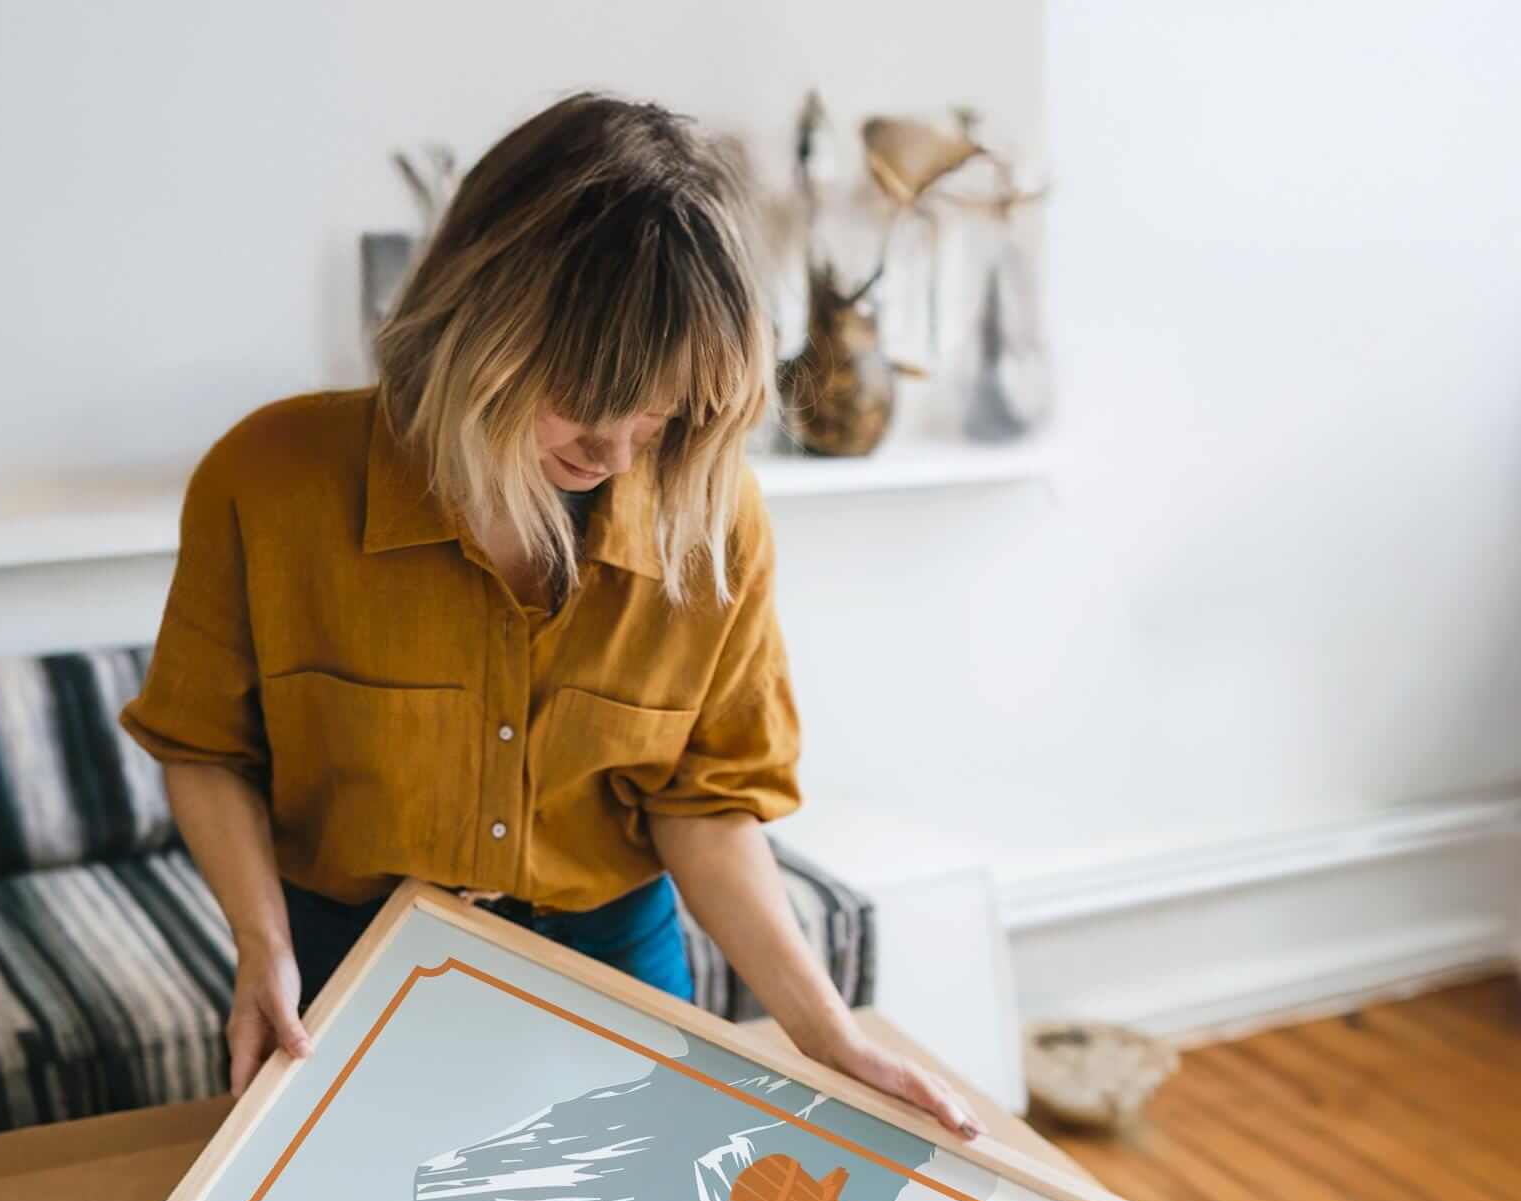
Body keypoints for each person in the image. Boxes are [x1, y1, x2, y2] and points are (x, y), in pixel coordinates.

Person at [118, 90, 979, 1140]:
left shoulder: (708, 521)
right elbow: (203, 747)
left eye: (661, 408)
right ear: (480, 322)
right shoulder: (271, 480)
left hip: (615, 959)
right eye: (584, 392)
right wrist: (261, 948)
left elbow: (704, 807)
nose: (619, 449)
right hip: (350, 964)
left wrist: (825, 1033)